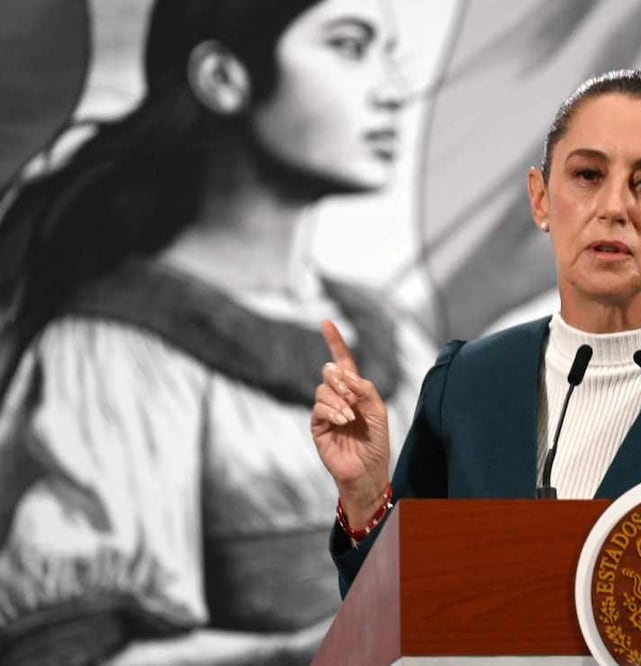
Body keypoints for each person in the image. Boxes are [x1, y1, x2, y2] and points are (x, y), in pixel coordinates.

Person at [0, 0, 427, 663]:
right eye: (348, 46)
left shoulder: (392, 334)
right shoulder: (118, 349)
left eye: (388, 54)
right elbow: (72, 649)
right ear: (224, 78)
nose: (395, 90)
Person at [311, 69, 641, 595]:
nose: (615, 207)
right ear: (540, 199)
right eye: (588, 175)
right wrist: (366, 495)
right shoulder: (466, 384)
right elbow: (396, 607)